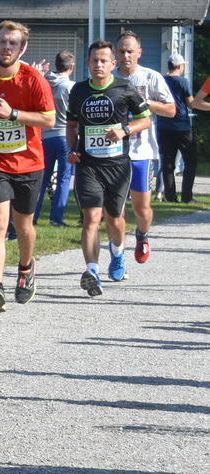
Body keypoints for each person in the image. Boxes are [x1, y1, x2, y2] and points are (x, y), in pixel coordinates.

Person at [0, 21, 55, 310]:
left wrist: (13, 114)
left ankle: (25, 267)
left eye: (12, 43)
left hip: (29, 164)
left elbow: (49, 119)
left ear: (23, 48)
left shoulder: (34, 80)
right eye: (2, 42)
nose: (6, 47)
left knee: (23, 226)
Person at [66, 40, 152, 295]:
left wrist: (124, 130)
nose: (99, 65)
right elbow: (71, 125)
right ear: (87, 63)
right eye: (95, 60)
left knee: (115, 218)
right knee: (91, 217)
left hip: (117, 165)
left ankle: (117, 253)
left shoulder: (125, 88)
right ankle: (92, 270)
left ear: (113, 64)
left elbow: (145, 120)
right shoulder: (79, 90)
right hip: (88, 164)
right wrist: (71, 150)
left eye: (104, 60)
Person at [112, 31, 177, 261]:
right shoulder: (108, 79)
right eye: (121, 51)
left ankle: (142, 234)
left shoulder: (151, 78)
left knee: (142, 209)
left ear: (139, 53)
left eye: (130, 51)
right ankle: (116, 251)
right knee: (114, 210)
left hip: (142, 151)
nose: (126, 56)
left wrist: (145, 102)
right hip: (112, 152)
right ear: (115, 54)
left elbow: (171, 110)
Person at [36, 51, 77, 226]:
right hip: (64, 135)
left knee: (42, 179)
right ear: (71, 67)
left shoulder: (44, 82)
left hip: (45, 136)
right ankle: (56, 218)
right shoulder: (70, 87)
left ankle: (33, 216)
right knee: (63, 178)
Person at [158, 53, 197, 203]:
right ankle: (187, 197)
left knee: (168, 164)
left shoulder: (161, 80)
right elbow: (190, 103)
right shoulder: (183, 82)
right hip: (182, 126)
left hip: (163, 125)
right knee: (191, 160)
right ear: (180, 66)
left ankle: (170, 197)